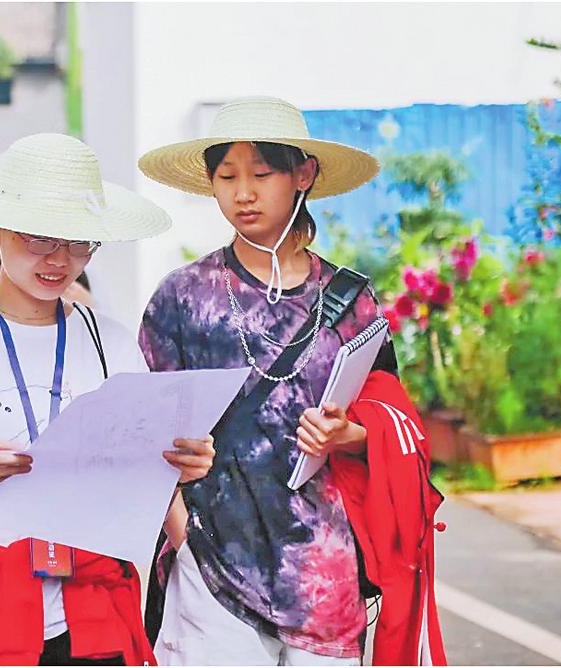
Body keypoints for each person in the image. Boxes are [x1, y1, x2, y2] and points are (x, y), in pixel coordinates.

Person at [0, 133, 216, 666]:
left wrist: (179, 467)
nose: (59, 259)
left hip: (90, 609)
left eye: (78, 241)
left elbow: (141, 475)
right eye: (39, 238)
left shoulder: (109, 341)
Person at [137, 96, 447, 666]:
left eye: (261, 173)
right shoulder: (182, 298)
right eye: (226, 176)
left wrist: (346, 436)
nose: (243, 192)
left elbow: (391, 421)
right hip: (214, 564)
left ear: (302, 174)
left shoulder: (352, 300)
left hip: (323, 571)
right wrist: (180, 531)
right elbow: (145, 433)